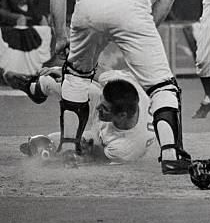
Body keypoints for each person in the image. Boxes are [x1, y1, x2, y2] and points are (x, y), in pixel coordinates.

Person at [48, 0, 190, 175]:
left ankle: (68, 149)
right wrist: (146, 29)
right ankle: (171, 154)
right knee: (162, 86)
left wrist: (59, 36)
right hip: (133, 2)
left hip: (88, 0)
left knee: (77, 78)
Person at [3, 67, 155, 164]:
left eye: (105, 108)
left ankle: (51, 143)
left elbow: (97, 159)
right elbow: (97, 70)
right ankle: (35, 88)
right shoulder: (124, 84)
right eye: (102, 103)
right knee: (70, 85)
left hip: (105, 139)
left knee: (51, 144)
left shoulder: (124, 148)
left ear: (122, 115)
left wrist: (75, 153)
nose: (98, 108)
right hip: (112, 122)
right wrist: (67, 71)